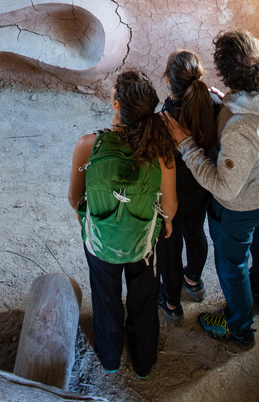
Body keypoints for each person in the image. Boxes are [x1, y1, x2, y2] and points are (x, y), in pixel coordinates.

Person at [166, 29, 259, 349]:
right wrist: (229, 103)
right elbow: (256, 110)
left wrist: (187, 146)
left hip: (241, 207)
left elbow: (224, 186)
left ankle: (239, 327)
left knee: (231, 264)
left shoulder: (240, 131)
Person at [67, 70, 178, 379]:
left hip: (100, 244)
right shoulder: (161, 152)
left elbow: (75, 198)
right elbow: (169, 206)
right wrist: (165, 226)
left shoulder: (88, 145)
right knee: (144, 301)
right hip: (143, 244)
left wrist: (88, 224)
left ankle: (110, 359)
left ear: (116, 105)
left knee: (106, 299)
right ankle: (143, 364)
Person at [155, 49, 223, 321]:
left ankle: (171, 304)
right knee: (195, 232)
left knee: (170, 246)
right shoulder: (215, 103)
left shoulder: (166, 119)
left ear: (169, 82)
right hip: (202, 187)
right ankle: (193, 281)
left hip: (173, 194)